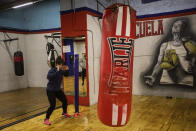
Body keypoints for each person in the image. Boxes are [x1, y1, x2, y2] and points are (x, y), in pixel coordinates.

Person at [144, 19, 196, 87]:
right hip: (166, 82)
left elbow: (193, 60)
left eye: (179, 25)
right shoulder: (165, 45)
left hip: (186, 83)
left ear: (183, 29)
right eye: (174, 25)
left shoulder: (190, 44)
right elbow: (159, 63)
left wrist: (191, 64)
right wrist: (153, 76)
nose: (175, 26)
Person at [44, 56, 71, 125]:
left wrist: (67, 70)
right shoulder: (52, 70)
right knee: (53, 105)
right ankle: (46, 119)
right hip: (50, 90)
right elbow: (49, 77)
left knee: (65, 101)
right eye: (62, 64)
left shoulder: (61, 71)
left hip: (57, 90)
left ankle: (64, 113)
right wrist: (57, 71)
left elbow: (66, 75)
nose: (62, 66)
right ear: (59, 64)